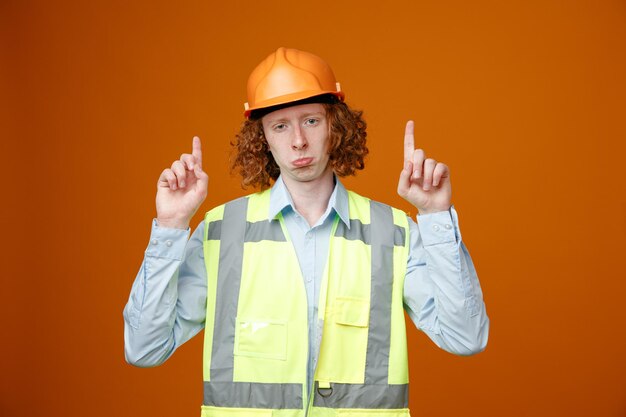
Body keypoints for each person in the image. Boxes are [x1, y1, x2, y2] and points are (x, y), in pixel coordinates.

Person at [124, 47, 489, 417]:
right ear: (262, 137)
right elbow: (144, 348)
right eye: (280, 125)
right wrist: (170, 227)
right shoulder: (220, 234)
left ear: (336, 125)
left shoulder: (392, 233)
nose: (298, 140)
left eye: (311, 121)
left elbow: (465, 338)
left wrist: (435, 216)